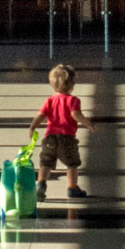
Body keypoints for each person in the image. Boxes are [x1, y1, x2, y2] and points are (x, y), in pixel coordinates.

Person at [28, 63, 95, 199]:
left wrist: (32, 127)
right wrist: (89, 124)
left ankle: (41, 184)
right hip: (67, 139)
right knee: (72, 165)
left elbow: (40, 115)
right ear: (72, 85)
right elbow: (76, 115)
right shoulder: (73, 100)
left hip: (50, 138)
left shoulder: (50, 100)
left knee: (45, 163)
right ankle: (72, 188)